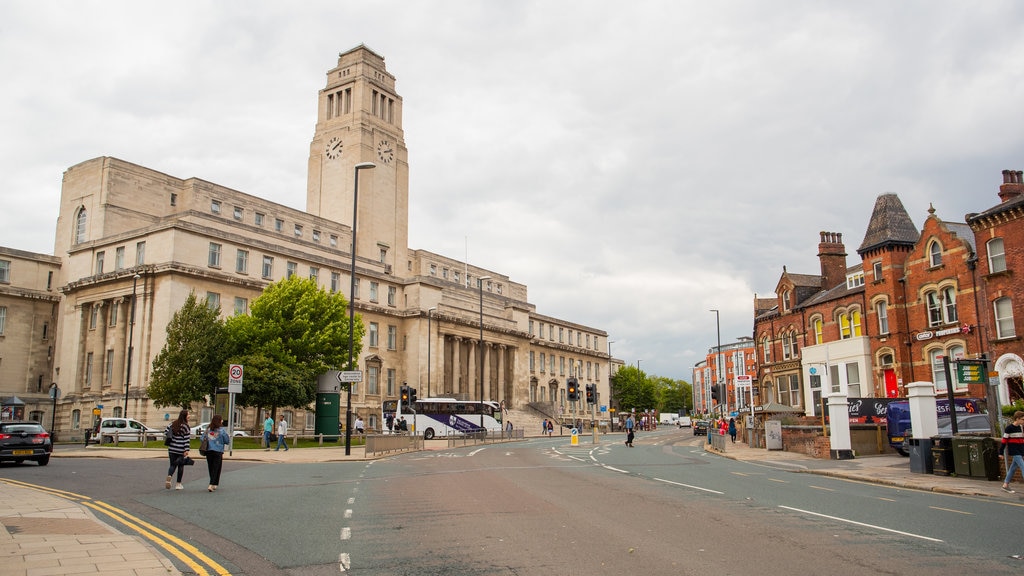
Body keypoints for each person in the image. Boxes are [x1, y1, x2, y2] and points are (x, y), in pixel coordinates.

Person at [164, 409, 191, 490]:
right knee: (180, 466)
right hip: (180, 448)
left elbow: (166, 432)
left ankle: (169, 476)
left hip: (172, 448)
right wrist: (186, 450)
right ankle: (178, 484)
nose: (189, 416)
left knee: (172, 464)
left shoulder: (172, 423)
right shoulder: (186, 426)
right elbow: (186, 439)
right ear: (185, 416)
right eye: (188, 414)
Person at [204, 415, 230, 492]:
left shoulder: (208, 430)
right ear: (219, 421)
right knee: (217, 468)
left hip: (209, 450)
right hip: (218, 451)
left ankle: (214, 483)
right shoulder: (221, 431)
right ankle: (212, 483)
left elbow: (202, 438)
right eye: (221, 420)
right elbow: (227, 441)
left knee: (211, 467)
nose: (222, 421)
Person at [1002, 410, 1024, 493]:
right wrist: (1001, 452)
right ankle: (1005, 485)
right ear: (1017, 419)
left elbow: (1021, 441)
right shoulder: (1009, 428)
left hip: (1020, 451)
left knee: (1013, 468)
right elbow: (1004, 441)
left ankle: (1005, 485)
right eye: (1022, 419)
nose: (1023, 421)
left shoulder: (1020, 428)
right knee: (1023, 467)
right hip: (1014, 451)